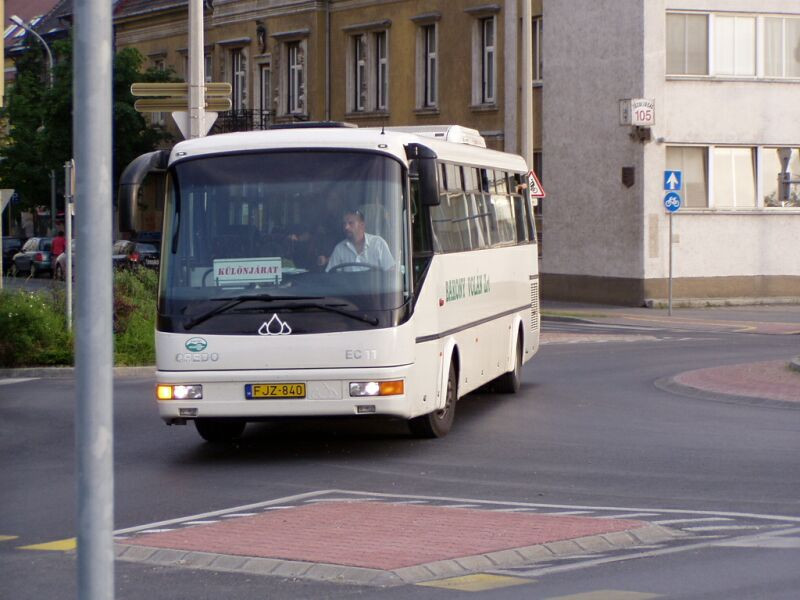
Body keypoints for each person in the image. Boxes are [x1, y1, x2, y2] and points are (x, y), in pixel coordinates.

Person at [325, 209, 394, 271]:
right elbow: (330, 276)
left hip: (374, 285)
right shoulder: (339, 249)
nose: (346, 227)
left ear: (362, 225)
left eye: (351, 223)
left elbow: (391, 272)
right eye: (344, 224)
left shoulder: (378, 243)